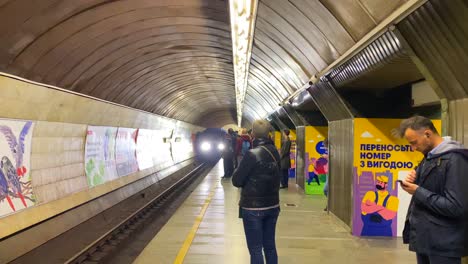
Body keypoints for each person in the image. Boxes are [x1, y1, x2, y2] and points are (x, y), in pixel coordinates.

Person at [398, 116, 468, 264]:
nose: (413, 148)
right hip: (427, 240)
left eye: (414, 143)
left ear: (427, 134)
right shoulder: (430, 157)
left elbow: (456, 207)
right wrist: (415, 178)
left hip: (444, 245)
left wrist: (417, 191)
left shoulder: (456, 160)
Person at [232, 120, 281, 264]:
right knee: (270, 246)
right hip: (272, 206)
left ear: (253, 134)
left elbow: (237, 181)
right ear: (268, 134)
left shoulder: (251, 154)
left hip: (253, 208)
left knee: (255, 249)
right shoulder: (275, 152)